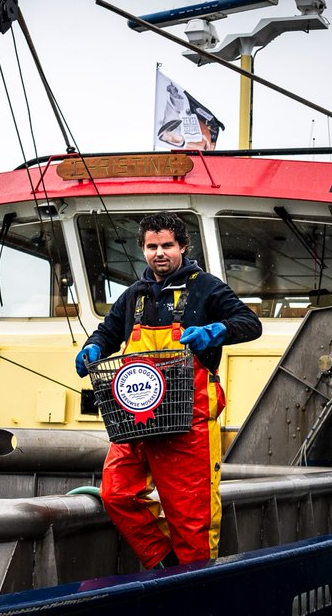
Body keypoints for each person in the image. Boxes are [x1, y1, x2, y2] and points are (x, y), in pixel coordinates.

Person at [73, 212, 262, 569]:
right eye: (151, 246)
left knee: (193, 519)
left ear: (183, 247)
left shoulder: (207, 287)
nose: (159, 253)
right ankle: (167, 563)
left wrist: (215, 331)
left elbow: (250, 323)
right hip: (137, 418)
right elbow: (107, 333)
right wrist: (93, 348)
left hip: (189, 421)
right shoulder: (134, 296)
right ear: (143, 249)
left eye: (167, 246)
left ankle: (194, 588)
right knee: (116, 495)